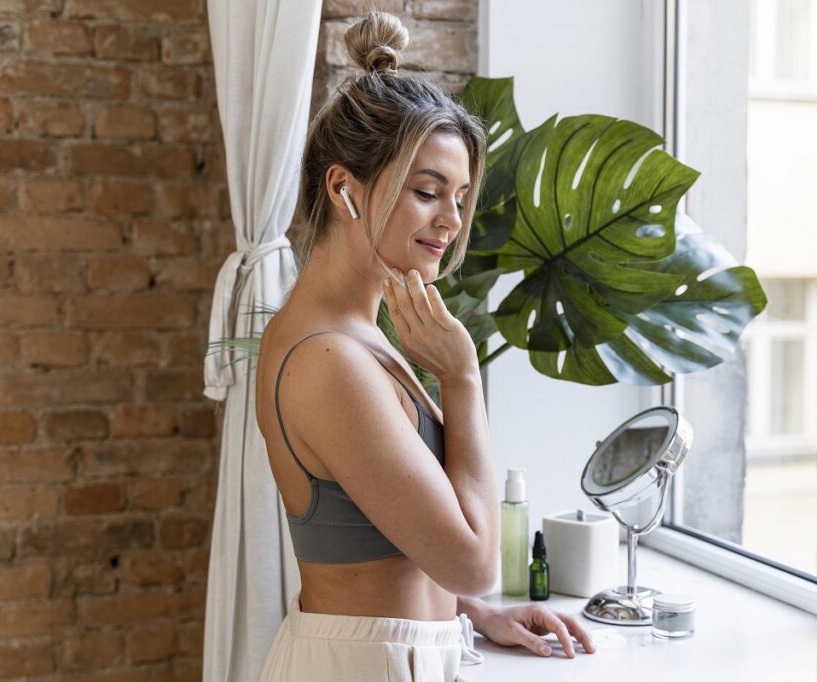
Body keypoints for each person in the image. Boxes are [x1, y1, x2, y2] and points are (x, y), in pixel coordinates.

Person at [253, 10, 596, 682]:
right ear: (345, 190)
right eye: (427, 191)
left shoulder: (353, 337)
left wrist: (470, 612)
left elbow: (397, 546)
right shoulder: (329, 360)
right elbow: (474, 558)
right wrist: (463, 379)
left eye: (461, 197)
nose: (452, 219)